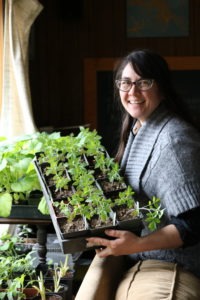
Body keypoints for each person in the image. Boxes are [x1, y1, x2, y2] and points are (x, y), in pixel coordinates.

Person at [75, 49, 200, 300]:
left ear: (162, 88)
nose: (132, 92)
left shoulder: (174, 142)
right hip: (142, 256)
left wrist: (137, 244)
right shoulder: (139, 126)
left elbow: (194, 224)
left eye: (143, 83)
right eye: (126, 82)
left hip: (176, 262)